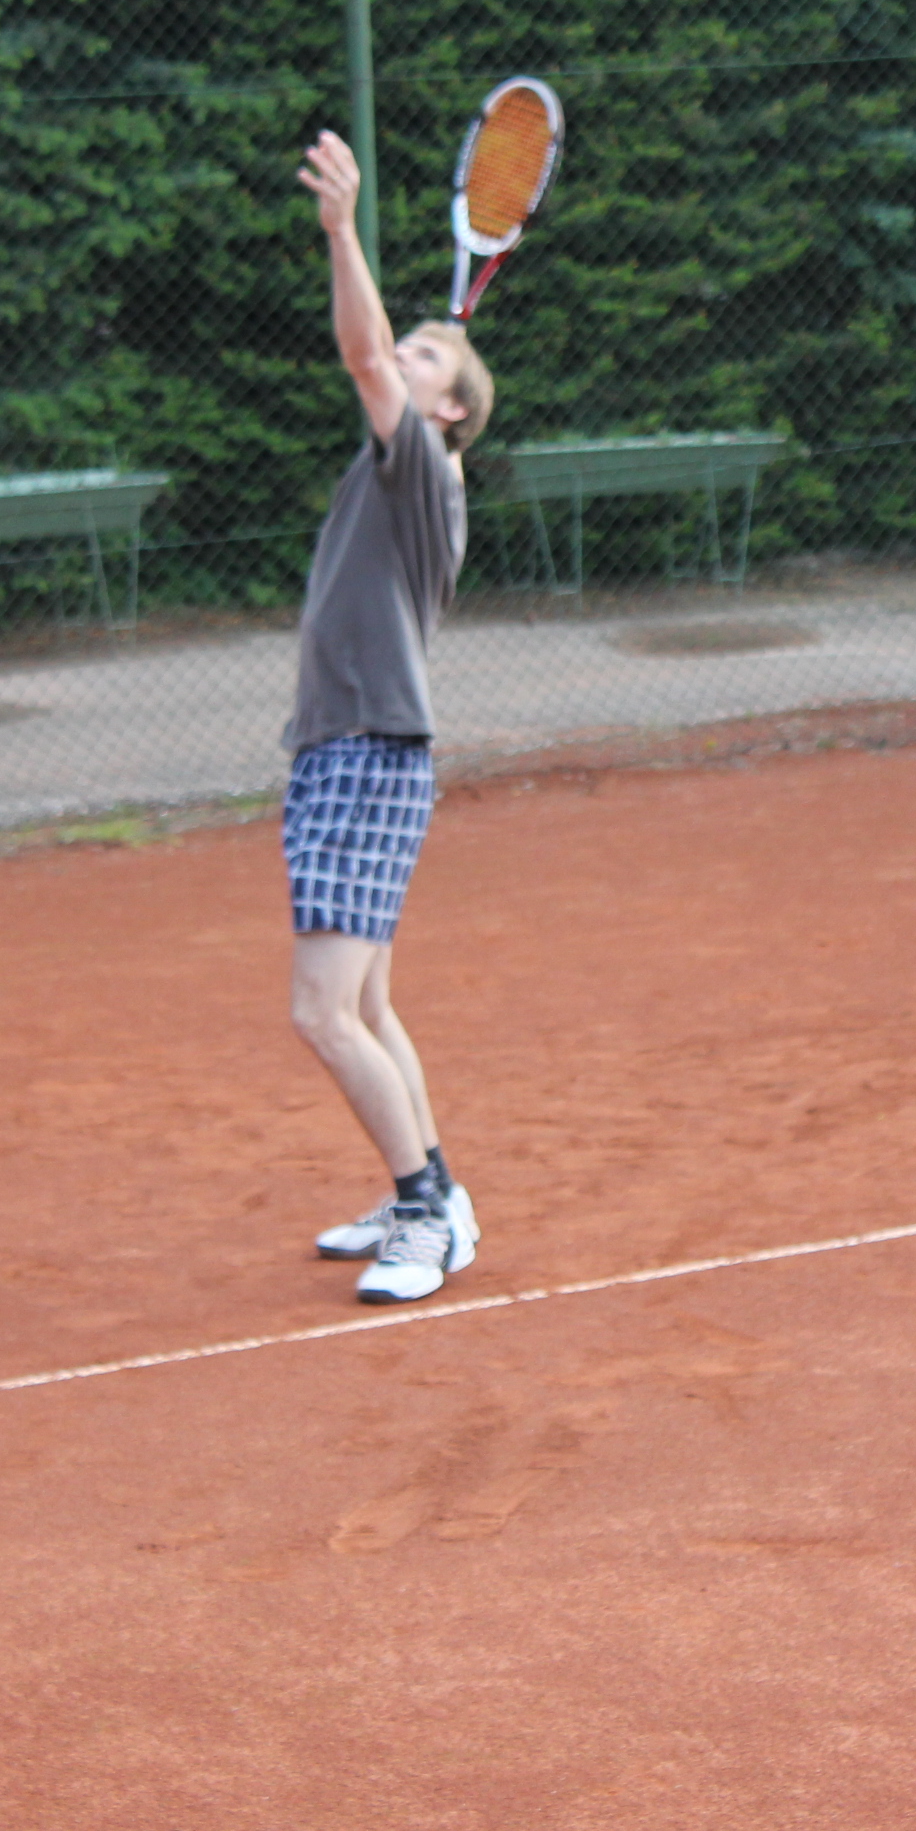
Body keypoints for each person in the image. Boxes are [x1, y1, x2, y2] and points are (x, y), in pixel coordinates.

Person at [283, 128, 493, 1304]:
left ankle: (425, 1216)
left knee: (321, 1011)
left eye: (427, 356)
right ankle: (435, 1193)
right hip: (349, 750)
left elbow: (361, 352)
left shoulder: (421, 467)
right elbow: (375, 358)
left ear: (449, 411)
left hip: (369, 754)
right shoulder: (390, 470)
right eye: (411, 346)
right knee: (363, 1001)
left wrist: (341, 228)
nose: (401, 357)